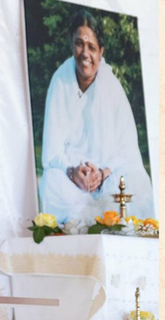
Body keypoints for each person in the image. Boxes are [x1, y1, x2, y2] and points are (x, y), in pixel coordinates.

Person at [38, 10, 154, 224]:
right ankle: (94, 221)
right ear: (72, 46)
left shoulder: (112, 86)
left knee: (137, 183)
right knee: (50, 184)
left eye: (91, 47)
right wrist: (73, 172)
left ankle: (95, 220)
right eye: (79, 44)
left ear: (101, 52)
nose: (85, 53)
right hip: (73, 179)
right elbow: (52, 151)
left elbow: (126, 148)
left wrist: (102, 172)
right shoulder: (60, 81)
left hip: (108, 177)